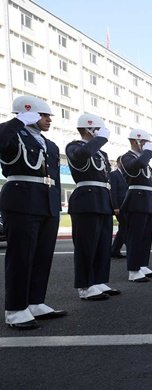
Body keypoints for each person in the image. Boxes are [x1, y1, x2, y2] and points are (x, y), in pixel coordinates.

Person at [1, 96, 66, 330]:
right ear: (28, 114)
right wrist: (17, 122)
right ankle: (16, 309)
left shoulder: (50, 144)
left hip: (46, 200)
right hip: (22, 197)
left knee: (42, 255)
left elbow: (55, 178)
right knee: (21, 256)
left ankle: (36, 301)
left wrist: (55, 204)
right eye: (44, 115)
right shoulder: (12, 133)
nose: (49, 120)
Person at [66, 113, 119, 301]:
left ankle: (98, 281)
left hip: (103, 200)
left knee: (103, 244)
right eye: (99, 129)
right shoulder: (74, 146)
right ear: (89, 129)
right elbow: (81, 157)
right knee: (86, 246)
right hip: (86, 200)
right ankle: (85, 285)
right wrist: (102, 139)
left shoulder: (101, 154)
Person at [120, 129, 152, 282]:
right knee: (135, 237)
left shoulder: (143, 160)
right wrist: (148, 153)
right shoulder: (127, 157)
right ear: (136, 141)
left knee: (145, 236)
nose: (147, 146)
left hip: (147, 200)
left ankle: (142, 265)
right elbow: (138, 165)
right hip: (135, 200)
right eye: (145, 142)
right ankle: (133, 270)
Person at [109, 156, 127, 259]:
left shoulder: (127, 174)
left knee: (124, 228)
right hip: (119, 206)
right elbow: (113, 192)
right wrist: (115, 207)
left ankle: (115, 249)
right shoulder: (113, 175)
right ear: (119, 163)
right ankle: (116, 249)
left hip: (128, 206)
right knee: (125, 227)